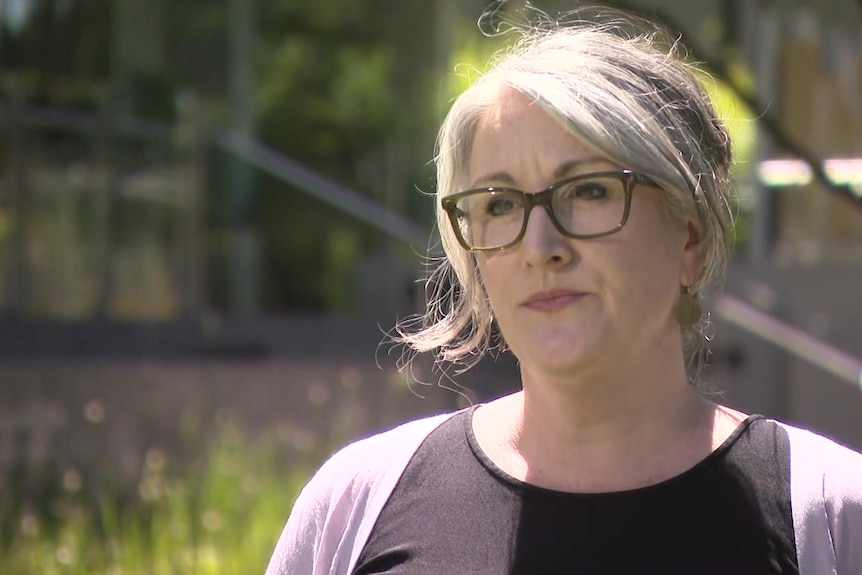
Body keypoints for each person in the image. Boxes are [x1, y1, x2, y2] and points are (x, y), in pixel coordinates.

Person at [265, 8, 862, 575]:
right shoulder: (358, 506)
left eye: (589, 191)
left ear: (690, 236)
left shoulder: (831, 514)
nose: (539, 245)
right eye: (499, 205)